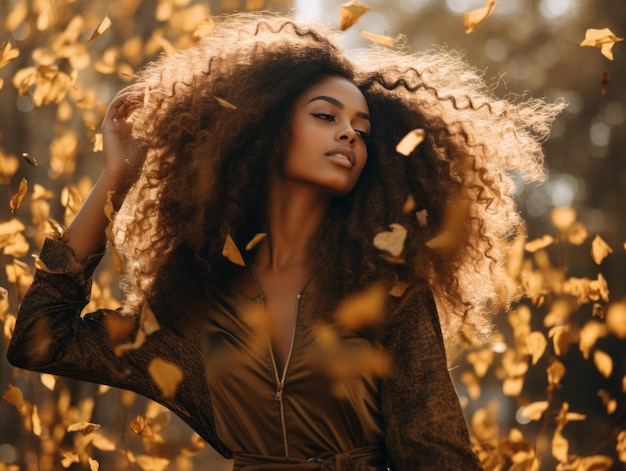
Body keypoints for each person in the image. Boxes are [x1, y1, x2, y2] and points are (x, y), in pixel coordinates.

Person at [7, 12, 564, 470]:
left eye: (363, 131)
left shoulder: (387, 293)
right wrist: (118, 177)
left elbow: (438, 457)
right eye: (326, 116)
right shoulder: (191, 310)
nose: (349, 132)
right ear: (266, 130)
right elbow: (39, 340)